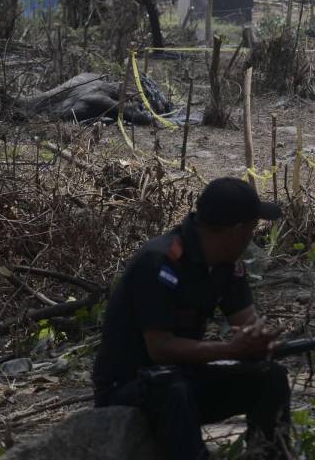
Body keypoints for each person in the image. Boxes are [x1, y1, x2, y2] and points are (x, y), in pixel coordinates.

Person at [93, 177, 291, 459]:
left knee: (270, 377)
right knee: (169, 385)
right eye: (251, 228)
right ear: (236, 231)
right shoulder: (159, 261)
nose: (252, 236)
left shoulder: (227, 265)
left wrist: (259, 340)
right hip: (129, 389)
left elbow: (247, 323)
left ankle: (270, 453)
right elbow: (160, 349)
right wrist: (230, 349)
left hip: (183, 381)